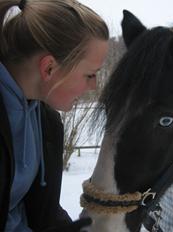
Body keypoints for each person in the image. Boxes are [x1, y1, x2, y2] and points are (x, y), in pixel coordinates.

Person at [0, 0, 109, 231]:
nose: (94, 86)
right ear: (49, 68)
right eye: (90, 75)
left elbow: (40, 210)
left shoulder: (47, 123)